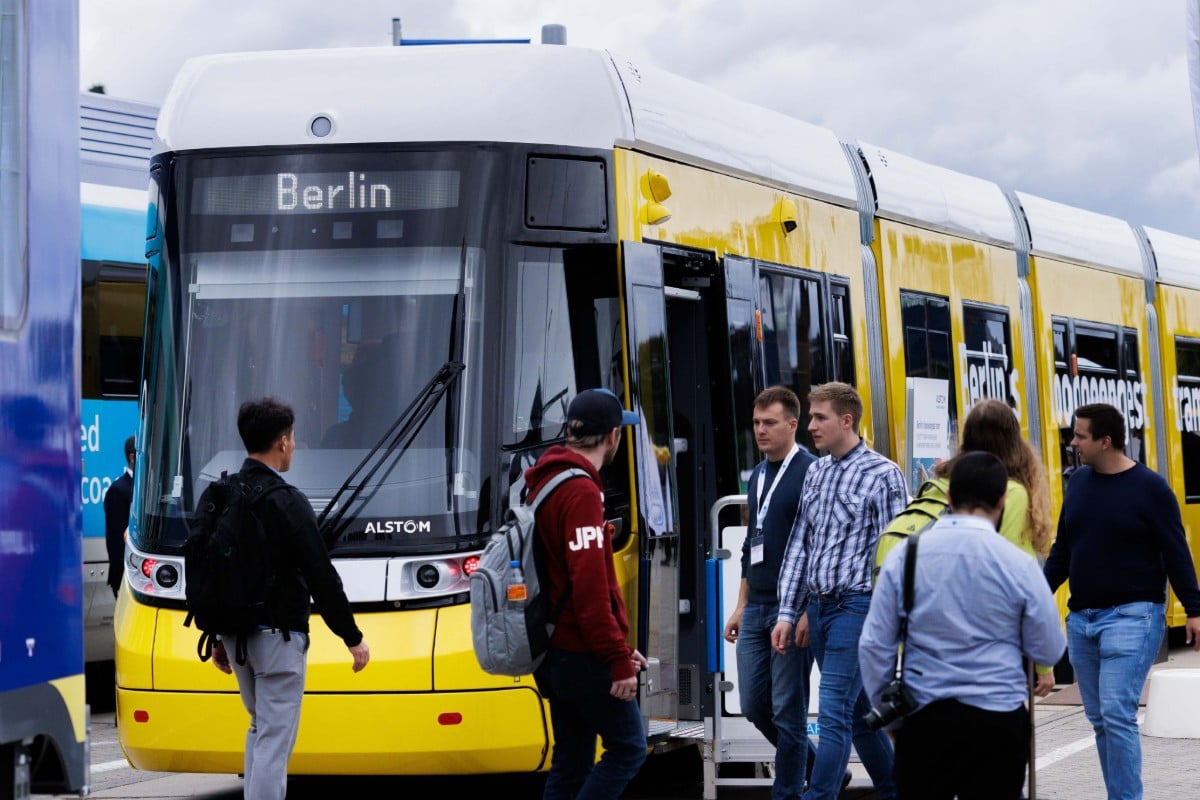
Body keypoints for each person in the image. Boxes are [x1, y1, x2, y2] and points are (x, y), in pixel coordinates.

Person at [860, 452, 1066, 799]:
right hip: (997, 720)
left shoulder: (904, 556)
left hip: (924, 719)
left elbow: (874, 647)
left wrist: (892, 717)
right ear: (1002, 500)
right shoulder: (1018, 564)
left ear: (950, 497)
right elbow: (1049, 648)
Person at [208, 398, 370, 800]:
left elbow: (209, 568)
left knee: (260, 728)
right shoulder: (287, 500)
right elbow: (321, 575)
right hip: (278, 638)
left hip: (235, 634)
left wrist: (216, 635)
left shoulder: (220, 493)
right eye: (293, 438)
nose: (294, 446)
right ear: (282, 442)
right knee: (274, 740)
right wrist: (352, 636)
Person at [1044, 402, 1200, 800]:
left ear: (1105, 440)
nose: (1073, 443)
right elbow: (1064, 550)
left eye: (1080, 436)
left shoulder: (1151, 489)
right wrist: (1035, 596)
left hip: (1133, 616)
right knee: (1100, 719)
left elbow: (1176, 552)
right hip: (1082, 620)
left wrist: (1195, 609)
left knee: (1116, 713)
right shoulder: (1078, 483)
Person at [773, 382, 904, 800]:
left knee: (832, 712)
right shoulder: (817, 471)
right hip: (820, 607)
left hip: (858, 606)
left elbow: (894, 554)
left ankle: (818, 795)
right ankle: (894, 789)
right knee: (859, 712)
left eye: (819, 417)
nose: (810, 425)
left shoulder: (884, 475)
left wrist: (889, 624)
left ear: (847, 421)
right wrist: (788, 612)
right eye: (811, 417)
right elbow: (799, 545)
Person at [527, 387, 649, 800]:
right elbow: (589, 589)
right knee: (628, 749)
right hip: (582, 651)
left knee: (573, 760)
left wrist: (619, 646)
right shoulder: (580, 492)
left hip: (556, 648)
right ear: (613, 436)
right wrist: (616, 658)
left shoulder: (546, 480)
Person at [723, 386, 818, 798]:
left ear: (792, 425)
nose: (760, 431)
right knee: (753, 706)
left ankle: (787, 792)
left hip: (791, 608)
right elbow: (750, 544)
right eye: (756, 423)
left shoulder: (811, 471)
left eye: (769, 423)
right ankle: (816, 764)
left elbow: (819, 545)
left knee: (788, 711)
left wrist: (806, 611)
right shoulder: (759, 474)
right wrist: (740, 606)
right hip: (757, 605)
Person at [930, 397, 1057, 696]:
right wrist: (1043, 665)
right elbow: (1022, 581)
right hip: (994, 639)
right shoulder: (1013, 493)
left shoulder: (940, 484)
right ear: (1013, 438)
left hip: (941, 630)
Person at [104, 435, 136, 597]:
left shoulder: (144, 488)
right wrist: (121, 575)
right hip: (125, 574)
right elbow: (115, 538)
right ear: (132, 457)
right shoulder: (118, 490)